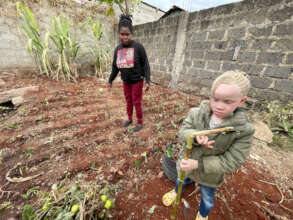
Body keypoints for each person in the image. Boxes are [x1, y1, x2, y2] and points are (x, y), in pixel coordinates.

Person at [162, 70, 255, 220]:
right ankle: (175, 192)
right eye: (215, 99)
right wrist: (195, 137)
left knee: (207, 199)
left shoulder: (243, 130)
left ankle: (203, 214)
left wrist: (199, 164)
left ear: (241, 101)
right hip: (186, 164)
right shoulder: (196, 113)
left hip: (210, 175)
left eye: (227, 101)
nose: (219, 106)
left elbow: (233, 160)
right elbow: (183, 131)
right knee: (181, 180)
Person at [108, 15, 151, 132]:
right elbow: (115, 66)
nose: (125, 37)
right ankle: (130, 118)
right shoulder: (118, 49)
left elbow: (145, 64)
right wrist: (110, 80)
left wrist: (147, 80)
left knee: (136, 101)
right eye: (122, 34)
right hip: (126, 81)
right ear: (119, 34)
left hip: (137, 80)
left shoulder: (138, 47)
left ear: (131, 34)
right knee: (128, 101)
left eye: (127, 34)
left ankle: (140, 122)